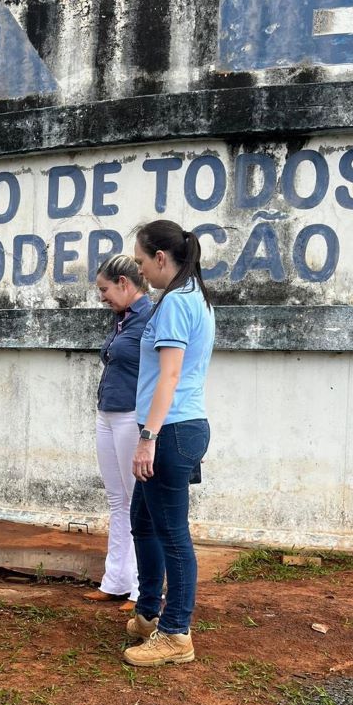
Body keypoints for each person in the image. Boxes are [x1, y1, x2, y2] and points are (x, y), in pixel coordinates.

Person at [122, 221, 215, 667]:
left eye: (140, 262)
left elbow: (170, 377)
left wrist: (147, 437)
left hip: (172, 430)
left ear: (161, 258)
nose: (140, 271)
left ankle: (176, 633)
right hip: (180, 427)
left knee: (173, 534)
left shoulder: (177, 302)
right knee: (143, 518)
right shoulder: (190, 296)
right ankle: (148, 611)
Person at [83, 254, 151, 611]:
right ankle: (116, 581)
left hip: (131, 416)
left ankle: (145, 589)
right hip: (107, 413)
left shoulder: (150, 319)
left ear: (124, 284)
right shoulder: (123, 320)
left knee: (138, 502)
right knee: (117, 500)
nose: (102, 297)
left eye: (105, 289)